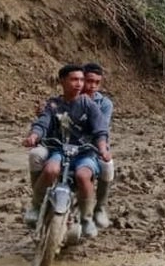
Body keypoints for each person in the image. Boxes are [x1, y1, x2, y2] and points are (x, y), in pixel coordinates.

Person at [23, 64, 111, 238]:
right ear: (62, 81)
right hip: (60, 150)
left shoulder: (90, 104)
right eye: (74, 79)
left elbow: (100, 129)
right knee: (50, 170)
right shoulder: (53, 104)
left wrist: (103, 149)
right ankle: (36, 206)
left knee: (83, 176)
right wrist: (33, 136)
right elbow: (42, 123)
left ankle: (87, 218)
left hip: (85, 152)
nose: (79, 83)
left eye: (81, 80)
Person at [81, 62, 115, 230]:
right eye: (89, 81)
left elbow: (101, 127)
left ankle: (100, 207)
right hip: (70, 143)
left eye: (97, 82)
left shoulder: (105, 104)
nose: (93, 86)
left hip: (94, 145)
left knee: (107, 166)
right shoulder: (69, 97)